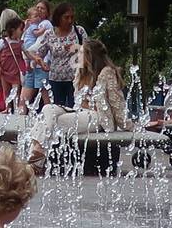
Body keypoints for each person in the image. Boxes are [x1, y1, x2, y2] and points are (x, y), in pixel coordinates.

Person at [27, 39, 134, 175]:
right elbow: (78, 102)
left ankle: (35, 161)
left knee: (54, 122)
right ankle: (39, 152)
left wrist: (131, 126)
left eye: (82, 53)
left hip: (97, 118)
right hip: (80, 113)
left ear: (90, 56)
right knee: (48, 109)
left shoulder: (107, 73)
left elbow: (117, 103)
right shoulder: (81, 72)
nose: (78, 56)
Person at [36, 1, 87, 108]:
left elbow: (89, 51)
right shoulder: (49, 34)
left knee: (76, 109)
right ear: (58, 17)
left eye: (72, 17)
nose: (70, 21)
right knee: (58, 110)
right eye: (66, 17)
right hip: (56, 79)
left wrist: (77, 48)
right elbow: (38, 53)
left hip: (76, 78)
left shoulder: (79, 31)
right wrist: (40, 62)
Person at [20, 0, 54, 111]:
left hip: (41, 64)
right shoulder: (33, 24)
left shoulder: (46, 24)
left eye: (42, 8)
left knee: (44, 94)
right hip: (33, 63)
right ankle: (20, 118)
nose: (39, 10)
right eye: (37, 7)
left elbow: (41, 43)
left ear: (47, 12)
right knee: (25, 96)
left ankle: (48, 118)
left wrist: (31, 55)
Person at [0, 13, 27, 112]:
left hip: (15, 71)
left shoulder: (20, 43)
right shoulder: (3, 41)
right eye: (20, 29)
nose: (22, 31)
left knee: (16, 90)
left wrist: (35, 59)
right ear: (13, 30)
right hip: (4, 69)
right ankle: (7, 108)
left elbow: (27, 53)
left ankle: (16, 108)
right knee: (6, 90)